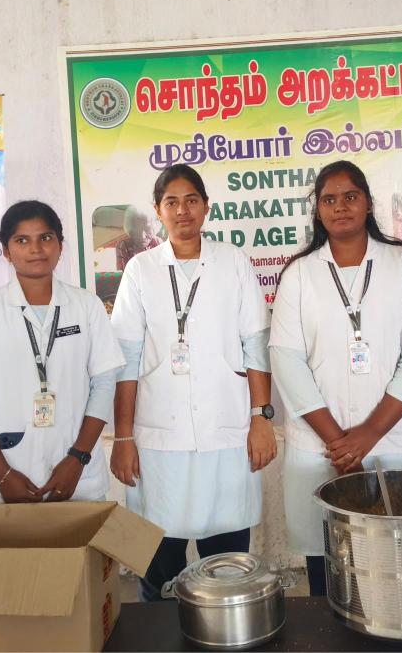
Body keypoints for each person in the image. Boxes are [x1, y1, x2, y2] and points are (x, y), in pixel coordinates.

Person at [269, 160, 402, 596]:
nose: (340, 206)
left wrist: (368, 435)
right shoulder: (299, 274)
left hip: (395, 442)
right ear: (318, 210)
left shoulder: (400, 265)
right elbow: (286, 360)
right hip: (319, 448)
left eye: (350, 196)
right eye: (329, 199)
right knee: (329, 565)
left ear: (367, 204)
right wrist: (341, 444)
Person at [110, 164, 276, 602]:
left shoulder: (233, 262)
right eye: (172, 202)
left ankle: (224, 632)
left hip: (226, 433)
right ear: (158, 211)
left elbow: (255, 344)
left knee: (227, 571)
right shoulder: (140, 270)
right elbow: (125, 361)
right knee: (159, 570)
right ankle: (162, 634)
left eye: (191, 201)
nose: (182, 210)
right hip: (158, 441)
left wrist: (262, 418)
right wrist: (122, 436)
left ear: (206, 207)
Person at [0, 200, 124, 504]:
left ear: (60, 245)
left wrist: (78, 458)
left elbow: (104, 384)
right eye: (22, 240)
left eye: (45, 237)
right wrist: (3, 475)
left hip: (76, 473)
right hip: (1, 478)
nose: (36, 249)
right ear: (6, 251)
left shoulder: (87, 306)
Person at [116, 204, 160, 270]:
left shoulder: (158, 243)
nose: (142, 236)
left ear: (154, 227)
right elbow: (126, 273)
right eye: (137, 230)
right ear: (130, 228)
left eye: (147, 229)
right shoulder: (124, 245)